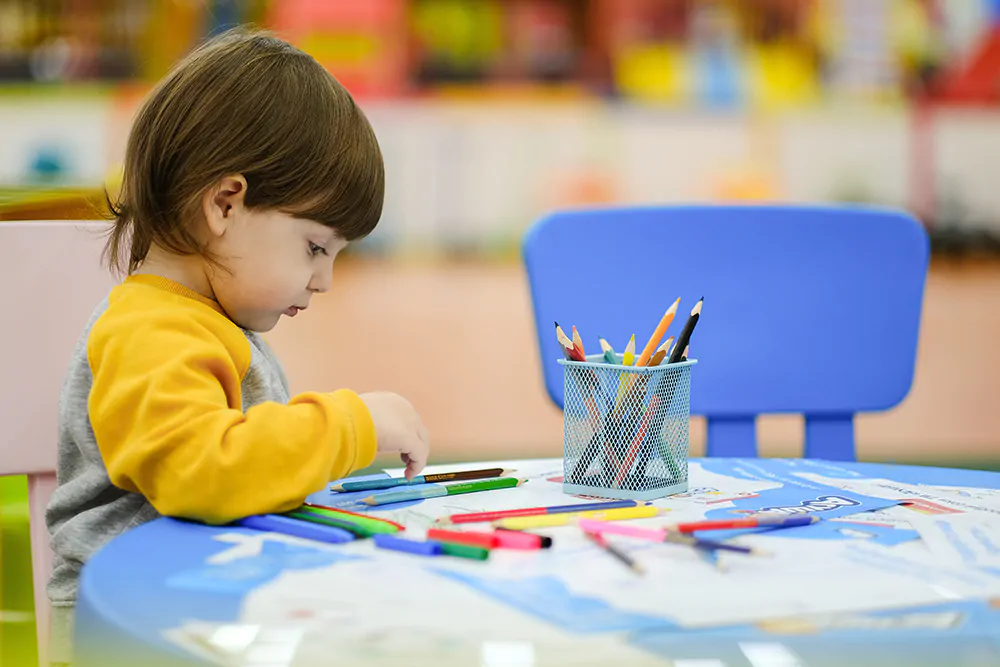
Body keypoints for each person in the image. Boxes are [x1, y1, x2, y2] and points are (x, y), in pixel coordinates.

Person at [44, 27, 430, 665]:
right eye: (315, 247)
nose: (325, 279)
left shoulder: (204, 320)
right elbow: (207, 472)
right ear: (225, 203)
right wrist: (353, 424)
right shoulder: (150, 331)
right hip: (130, 630)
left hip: (191, 610)